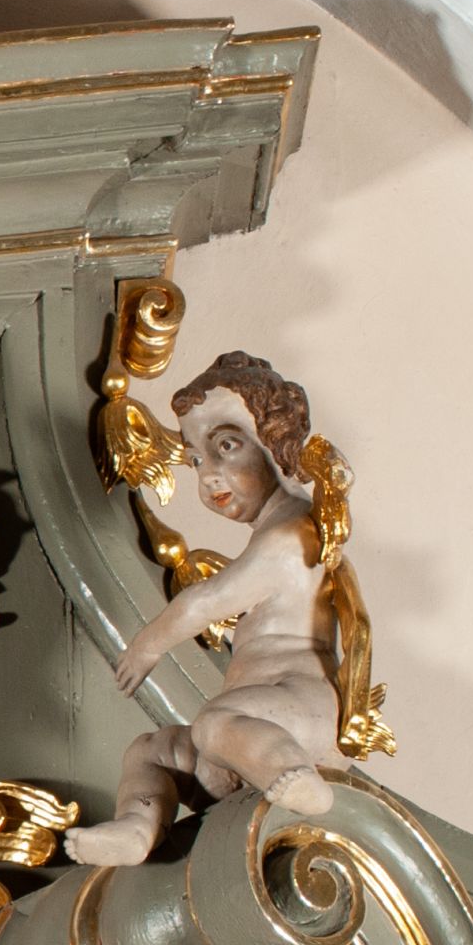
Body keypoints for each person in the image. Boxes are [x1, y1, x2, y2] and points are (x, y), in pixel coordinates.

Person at [64, 351, 347, 868]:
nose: (209, 475)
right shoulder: (272, 532)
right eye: (196, 459)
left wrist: (148, 645)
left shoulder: (292, 534)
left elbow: (206, 601)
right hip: (239, 737)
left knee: (213, 724)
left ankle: (298, 779)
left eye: (227, 446)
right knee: (149, 751)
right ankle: (136, 830)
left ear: (277, 443)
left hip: (296, 717)